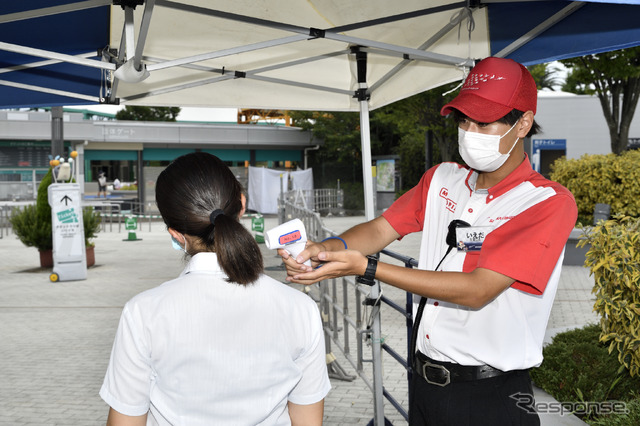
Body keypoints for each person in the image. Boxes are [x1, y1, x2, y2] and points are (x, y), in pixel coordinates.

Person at [280, 57, 577, 425]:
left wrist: (368, 267)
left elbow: (478, 290)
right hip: (424, 384)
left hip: (490, 398)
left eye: (483, 121)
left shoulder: (546, 202)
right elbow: (381, 228)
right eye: (463, 119)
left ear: (523, 123)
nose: (469, 130)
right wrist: (326, 249)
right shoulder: (443, 179)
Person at [100, 152, 330, 426]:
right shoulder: (300, 309)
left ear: (175, 234)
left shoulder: (143, 313)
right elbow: (308, 420)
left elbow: (126, 418)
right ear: (241, 206)